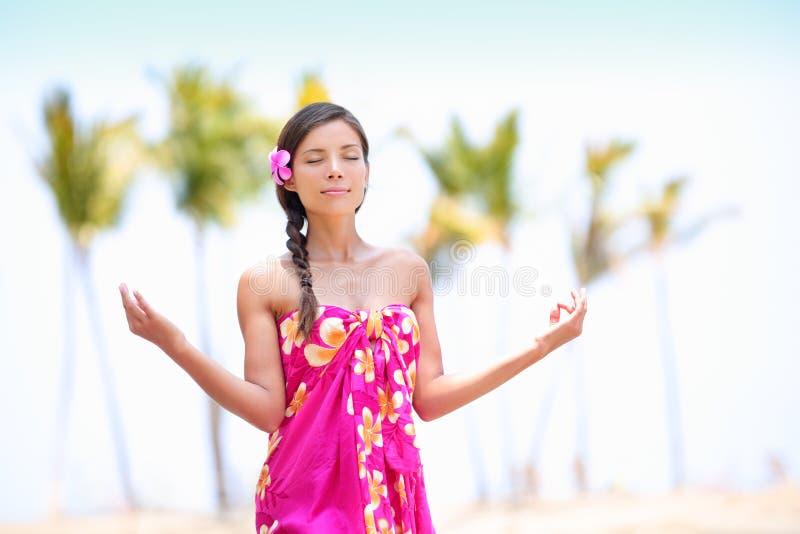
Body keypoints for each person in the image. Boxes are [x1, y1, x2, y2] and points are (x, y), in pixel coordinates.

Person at [118, 102, 588, 533]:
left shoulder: (408, 271)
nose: (335, 170)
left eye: (349, 155)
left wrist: (542, 344)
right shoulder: (265, 282)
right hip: (303, 503)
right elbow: (265, 410)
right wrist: (174, 343)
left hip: (394, 499)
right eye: (315, 159)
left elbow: (429, 397)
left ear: (366, 171)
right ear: (288, 177)